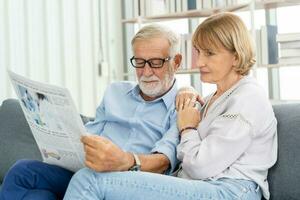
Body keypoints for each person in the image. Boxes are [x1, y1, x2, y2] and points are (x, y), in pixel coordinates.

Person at [63, 12, 277, 200]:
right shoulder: (214, 97)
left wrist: (188, 128)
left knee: (90, 181)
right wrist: (188, 94)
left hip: (229, 191)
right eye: (198, 52)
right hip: (199, 185)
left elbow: (199, 166)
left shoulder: (249, 98)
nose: (199, 62)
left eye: (209, 53)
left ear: (236, 56)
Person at [0, 24, 182, 200]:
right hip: (88, 171)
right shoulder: (115, 92)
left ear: (176, 62)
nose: (146, 72)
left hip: (129, 184)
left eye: (156, 63)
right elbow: (89, 133)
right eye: (140, 62)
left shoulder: (183, 105)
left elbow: (164, 161)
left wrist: (125, 161)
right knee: (23, 172)